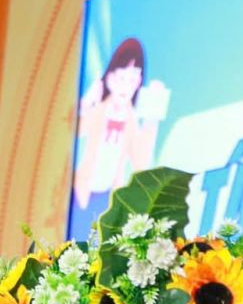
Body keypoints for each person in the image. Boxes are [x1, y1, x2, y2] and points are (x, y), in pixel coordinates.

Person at [71, 37, 170, 235]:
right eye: (122, 78)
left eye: (132, 80)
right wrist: (86, 103)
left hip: (107, 197)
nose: (126, 86)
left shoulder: (131, 120)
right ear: (110, 79)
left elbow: (141, 162)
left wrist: (152, 118)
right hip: (82, 192)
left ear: (139, 82)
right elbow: (77, 130)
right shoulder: (99, 110)